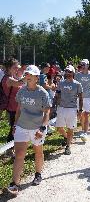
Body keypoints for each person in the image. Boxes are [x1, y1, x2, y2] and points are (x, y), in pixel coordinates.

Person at [7, 65, 51, 195]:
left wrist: (42, 128)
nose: (28, 76)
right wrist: (15, 125)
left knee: (38, 151)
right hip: (22, 126)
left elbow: (47, 112)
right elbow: (19, 109)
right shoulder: (21, 91)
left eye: (31, 75)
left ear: (37, 78)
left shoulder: (42, 92)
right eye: (27, 74)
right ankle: (15, 183)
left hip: (37, 128)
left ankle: (38, 174)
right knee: (19, 155)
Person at [55, 65, 83, 155]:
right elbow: (57, 95)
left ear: (73, 73)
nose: (67, 73)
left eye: (70, 71)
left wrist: (80, 110)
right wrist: (56, 106)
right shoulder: (61, 83)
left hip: (72, 108)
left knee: (70, 128)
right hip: (61, 108)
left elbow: (81, 98)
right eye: (66, 71)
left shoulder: (77, 84)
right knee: (59, 128)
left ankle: (68, 146)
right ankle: (68, 138)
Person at [2, 59, 25, 144]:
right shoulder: (8, 79)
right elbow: (19, 83)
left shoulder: (12, 77)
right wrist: (30, 75)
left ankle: (14, 146)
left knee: (17, 128)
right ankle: (9, 149)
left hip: (17, 107)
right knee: (14, 128)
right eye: (15, 67)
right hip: (13, 107)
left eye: (17, 67)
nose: (17, 69)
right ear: (9, 68)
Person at [75, 59, 90, 141]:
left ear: (88, 65)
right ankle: (83, 129)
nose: (83, 66)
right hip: (79, 97)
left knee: (87, 114)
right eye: (82, 64)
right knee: (81, 114)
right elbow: (75, 86)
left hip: (89, 97)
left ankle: (85, 132)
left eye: (84, 64)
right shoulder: (77, 75)